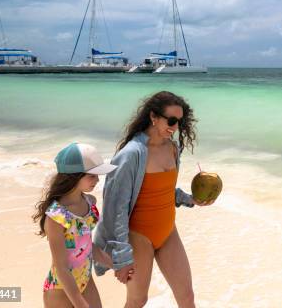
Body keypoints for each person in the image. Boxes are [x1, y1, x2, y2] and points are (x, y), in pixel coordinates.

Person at [94, 91, 214, 308]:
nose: (175, 126)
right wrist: (121, 256)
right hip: (139, 236)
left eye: (179, 122)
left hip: (168, 231)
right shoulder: (132, 154)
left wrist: (190, 199)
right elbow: (115, 208)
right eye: (171, 120)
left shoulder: (172, 148)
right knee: (138, 300)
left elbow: (163, 190)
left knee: (187, 297)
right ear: (153, 117)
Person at [33, 142, 117, 308]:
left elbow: (87, 247)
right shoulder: (56, 217)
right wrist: (80, 304)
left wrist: (116, 265)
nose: (98, 179)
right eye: (92, 175)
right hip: (60, 290)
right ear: (74, 176)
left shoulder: (89, 202)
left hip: (85, 280)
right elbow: (62, 268)